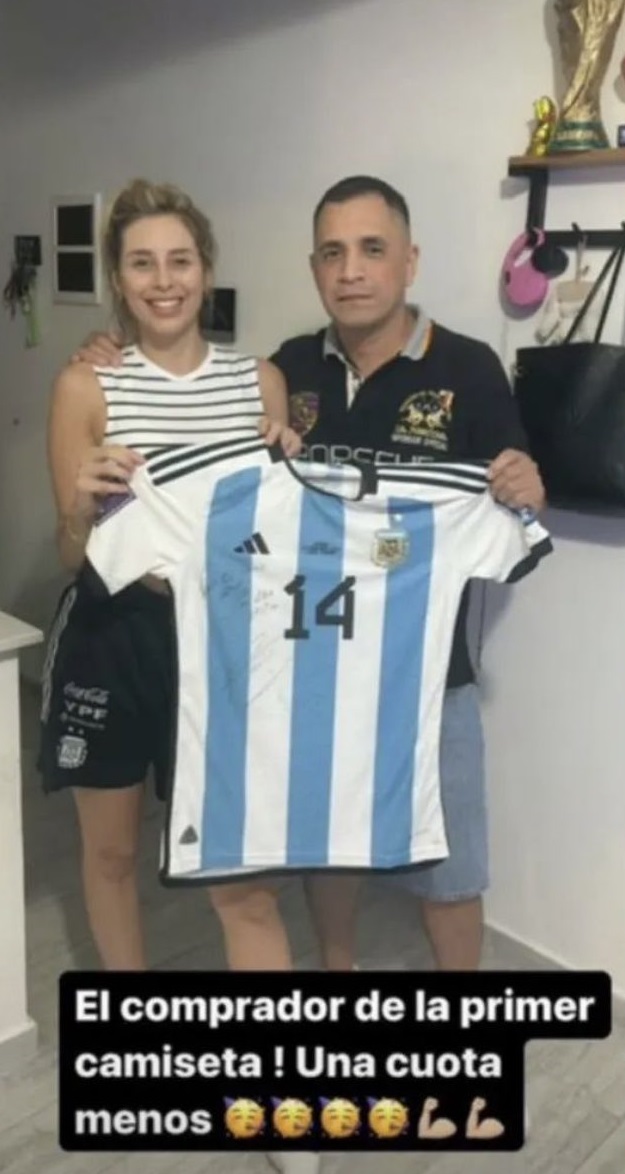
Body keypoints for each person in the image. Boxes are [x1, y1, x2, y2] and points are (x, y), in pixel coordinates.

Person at [75, 175, 545, 987]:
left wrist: (525, 488)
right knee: (324, 852)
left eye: (371, 249)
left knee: (450, 872)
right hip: (308, 670)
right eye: (332, 252)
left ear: (408, 260)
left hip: (428, 673)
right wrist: (109, 356)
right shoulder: (288, 370)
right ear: (314, 267)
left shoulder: (467, 367)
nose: (351, 270)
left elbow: (512, 493)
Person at [39, 177, 303, 978]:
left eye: (180, 260)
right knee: (112, 854)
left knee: (241, 878)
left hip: (225, 641)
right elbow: (73, 555)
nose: (164, 281)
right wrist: (80, 508)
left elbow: (278, 537)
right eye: (142, 263)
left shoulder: (258, 382)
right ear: (118, 280)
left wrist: (292, 478)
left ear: (206, 269)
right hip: (115, 637)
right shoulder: (85, 385)